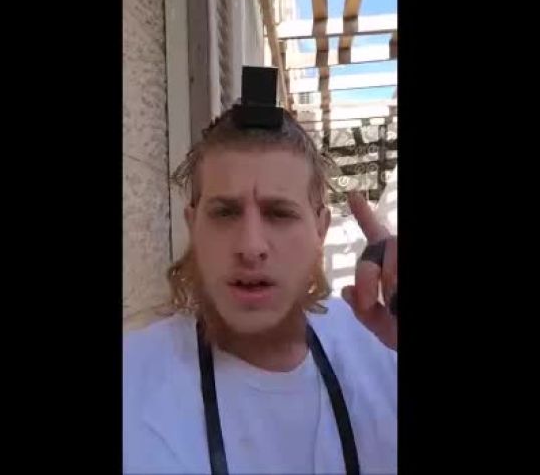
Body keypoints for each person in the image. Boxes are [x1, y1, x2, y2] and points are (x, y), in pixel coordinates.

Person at [123, 106, 398, 474]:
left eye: (279, 213)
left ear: (320, 230)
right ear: (193, 225)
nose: (251, 247)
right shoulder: (133, 380)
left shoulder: (379, 351)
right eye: (225, 213)